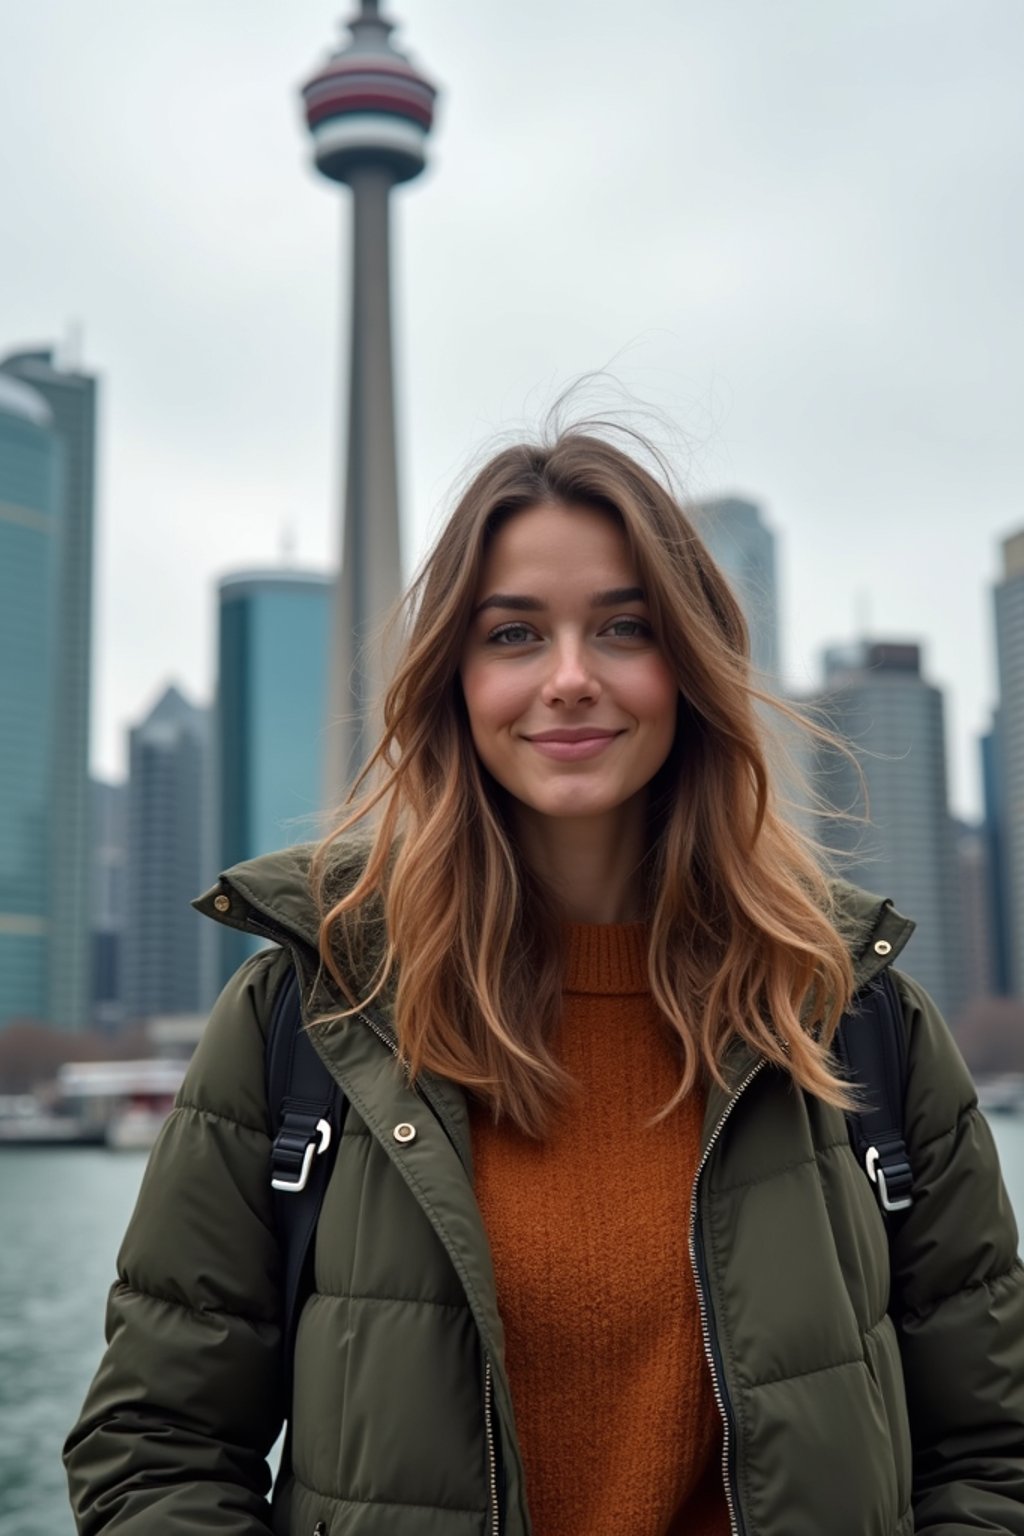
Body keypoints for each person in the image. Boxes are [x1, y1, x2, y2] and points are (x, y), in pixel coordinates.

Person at [65, 429, 1024, 1536]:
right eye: (514, 634)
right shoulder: (308, 1018)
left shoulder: (856, 1017)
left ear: (692, 666)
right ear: (453, 681)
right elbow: (156, 1452)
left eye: (622, 628)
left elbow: (992, 1452)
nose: (570, 679)